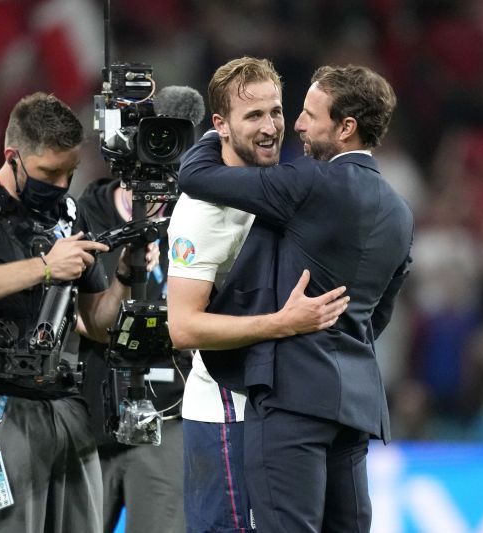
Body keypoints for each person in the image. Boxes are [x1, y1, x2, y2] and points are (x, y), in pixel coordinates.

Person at [177, 64, 414, 532]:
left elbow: (195, 174)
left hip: (292, 399)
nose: (295, 126)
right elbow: (376, 316)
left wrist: (214, 128)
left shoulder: (309, 184)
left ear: (346, 127)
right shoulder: (400, 212)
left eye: (304, 114)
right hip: (355, 407)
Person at [0, 92, 155, 532]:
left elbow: (96, 324)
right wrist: (47, 267)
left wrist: (125, 275)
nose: (61, 184)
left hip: (64, 404)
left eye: (69, 172)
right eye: (48, 172)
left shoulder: (69, 215)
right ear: (13, 156)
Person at [166, 57, 348, 533]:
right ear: (220, 126)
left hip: (279, 410)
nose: (271, 128)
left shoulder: (280, 187)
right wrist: (283, 323)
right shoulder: (199, 214)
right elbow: (183, 327)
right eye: (254, 116)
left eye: (276, 112)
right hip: (224, 414)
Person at [77, 177, 187, 533]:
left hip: (168, 419)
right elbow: (74, 316)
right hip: (91, 414)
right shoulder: (83, 217)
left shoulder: (193, 217)